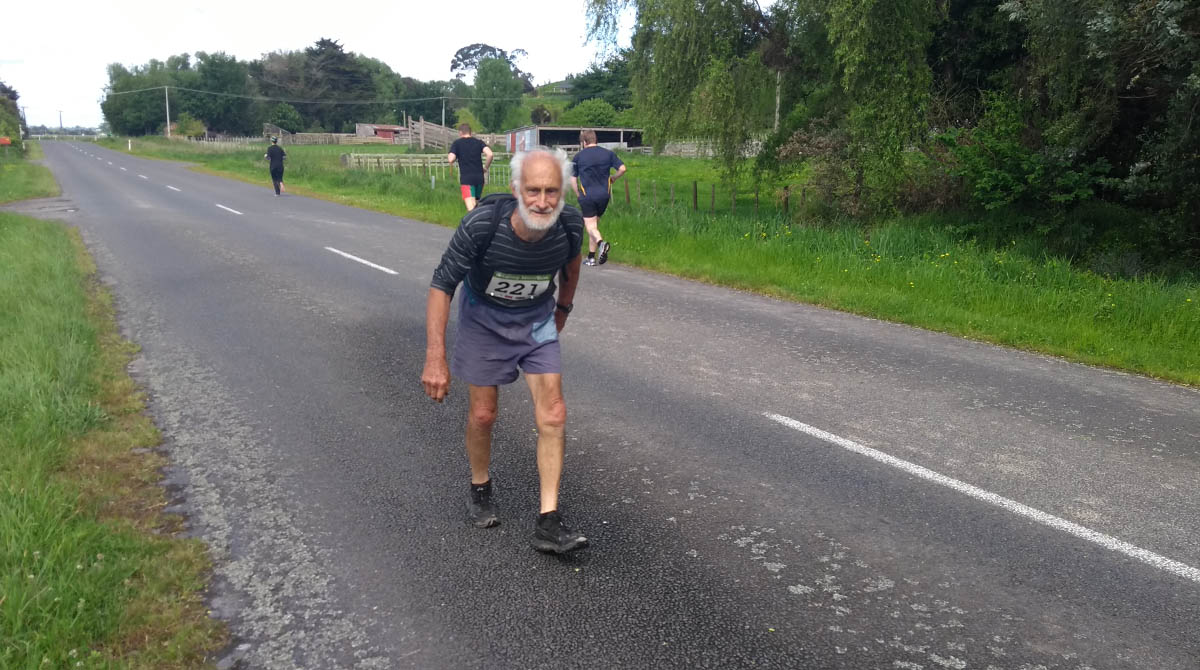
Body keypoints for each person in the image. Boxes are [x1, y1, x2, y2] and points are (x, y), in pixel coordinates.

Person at [422, 147, 588, 554]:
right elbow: (442, 285)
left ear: (563, 191)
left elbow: (571, 267)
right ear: (516, 189)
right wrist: (435, 356)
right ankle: (480, 486)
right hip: (484, 319)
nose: (543, 201)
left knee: (554, 412)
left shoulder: (569, 224)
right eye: (533, 190)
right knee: (483, 414)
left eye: (552, 191)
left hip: (536, 319)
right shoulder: (482, 225)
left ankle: (549, 521)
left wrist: (563, 309)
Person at [570, 129, 626, 266]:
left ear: (584, 142)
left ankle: (601, 243)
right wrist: (614, 178)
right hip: (604, 195)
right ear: (595, 140)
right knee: (594, 226)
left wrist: (578, 194)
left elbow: (573, 179)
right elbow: (623, 168)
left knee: (590, 226)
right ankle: (591, 257)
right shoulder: (608, 154)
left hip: (588, 196)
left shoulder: (578, 157)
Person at [447, 123, 494, 211]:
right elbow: (490, 154)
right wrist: (485, 168)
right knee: (477, 206)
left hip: (467, 179)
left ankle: (479, 220)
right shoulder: (479, 142)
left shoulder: (457, 143)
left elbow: (451, 159)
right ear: (470, 132)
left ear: (460, 133)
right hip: (479, 178)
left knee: (471, 209)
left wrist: (453, 154)